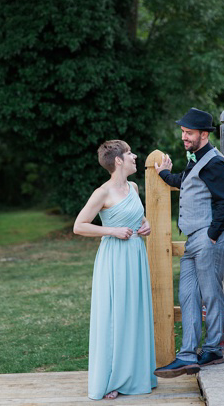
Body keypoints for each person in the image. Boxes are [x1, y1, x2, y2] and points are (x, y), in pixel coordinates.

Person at [154, 108, 224, 377]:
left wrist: (212, 235)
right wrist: (165, 175)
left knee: (210, 294)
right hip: (194, 240)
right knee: (188, 294)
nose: (183, 137)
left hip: (208, 237)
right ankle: (187, 355)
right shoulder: (196, 159)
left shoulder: (215, 161)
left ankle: (212, 349)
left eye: (188, 133)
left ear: (203, 134)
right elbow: (186, 183)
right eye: (183, 132)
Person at [74, 140, 156, 400]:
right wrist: (112, 230)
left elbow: (138, 216)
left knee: (135, 312)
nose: (135, 156)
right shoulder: (103, 192)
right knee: (116, 315)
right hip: (114, 258)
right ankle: (112, 378)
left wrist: (146, 225)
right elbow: (79, 226)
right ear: (118, 160)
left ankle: (135, 374)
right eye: (130, 153)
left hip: (135, 255)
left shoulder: (133, 187)